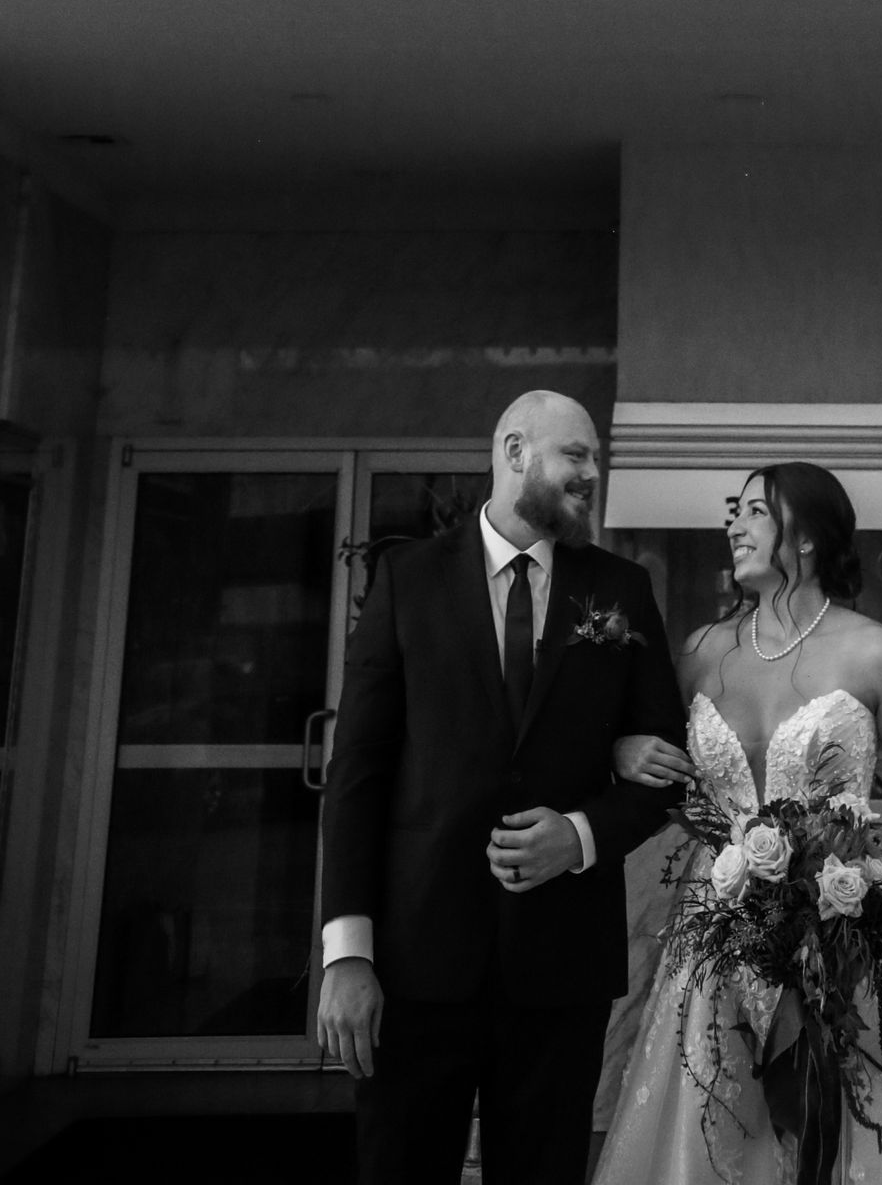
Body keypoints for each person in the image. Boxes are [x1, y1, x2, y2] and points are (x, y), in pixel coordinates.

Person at [593, 461, 882, 1185]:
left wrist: (874, 910)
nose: (734, 524)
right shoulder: (701, 654)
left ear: (810, 538)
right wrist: (621, 748)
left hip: (851, 954)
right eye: (735, 510)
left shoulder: (875, 653)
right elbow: (665, 786)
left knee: (851, 1135)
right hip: (716, 943)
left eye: (755, 511)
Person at [317, 390, 687, 1185]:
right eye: (575, 456)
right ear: (515, 453)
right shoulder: (406, 580)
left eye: (596, 458)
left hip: (560, 972)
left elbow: (666, 772)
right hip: (416, 965)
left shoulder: (621, 591)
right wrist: (347, 953)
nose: (592, 473)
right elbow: (358, 773)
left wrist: (580, 835)